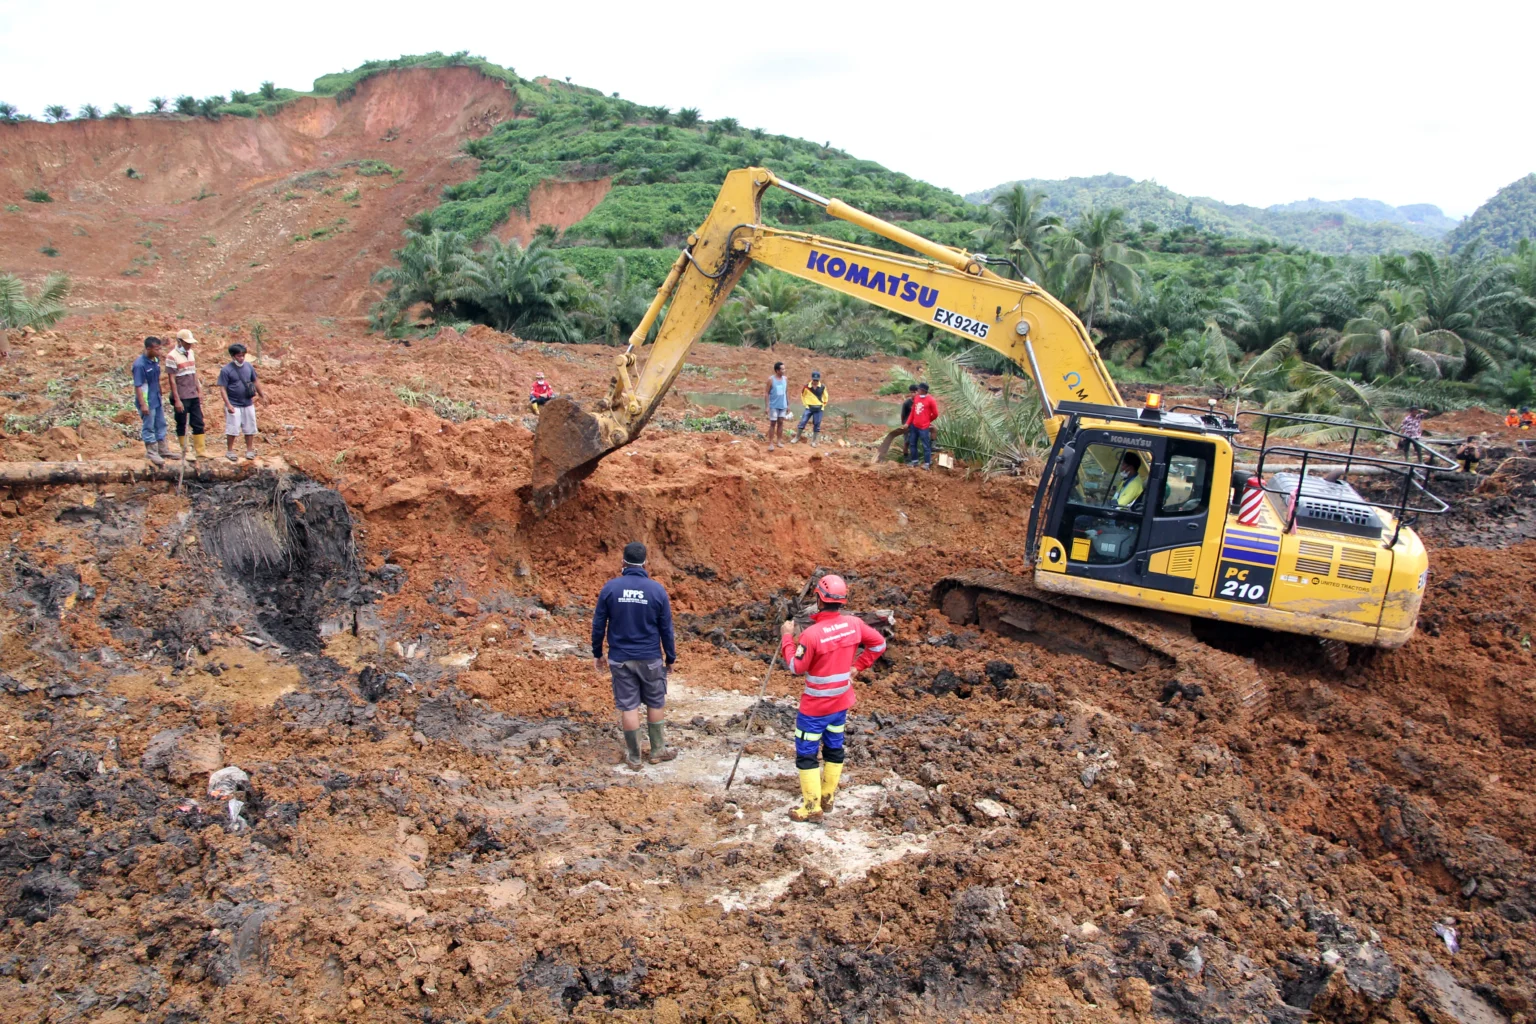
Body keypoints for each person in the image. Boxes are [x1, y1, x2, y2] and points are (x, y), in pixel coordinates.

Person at [779, 574, 886, 823]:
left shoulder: (812, 635)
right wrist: (858, 667)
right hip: (840, 703)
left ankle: (811, 807)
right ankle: (827, 797)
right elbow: (879, 645)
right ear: (842, 601)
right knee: (834, 747)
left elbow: (796, 666)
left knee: (806, 752)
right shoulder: (854, 624)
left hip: (815, 708)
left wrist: (786, 637)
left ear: (818, 598)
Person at [592, 541, 677, 770]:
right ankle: (658, 750)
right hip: (650, 657)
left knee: (629, 706)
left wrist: (597, 652)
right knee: (655, 701)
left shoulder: (611, 588)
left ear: (623, 562)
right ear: (645, 562)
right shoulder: (656, 590)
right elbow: (666, 629)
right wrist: (670, 657)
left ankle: (635, 756)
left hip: (620, 658)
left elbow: (599, 624)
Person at [131, 336, 179, 466]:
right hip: (147, 401)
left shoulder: (155, 360)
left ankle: (163, 449)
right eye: (157, 349)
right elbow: (138, 386)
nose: (159, 352)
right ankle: (152, 452)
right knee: (149, 425)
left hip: (156, 398)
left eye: (160, 349)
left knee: (161, 423)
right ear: (148, 349)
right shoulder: (140, 365)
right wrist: (143, 404)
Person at [164, 329, 206, 463]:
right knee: (182, 423)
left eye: (190, 343)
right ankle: (185, 451)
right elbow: (172, 380)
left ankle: (200, 451)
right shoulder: (172, 356)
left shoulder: (191, 353)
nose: (189, 346)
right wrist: (177, 399)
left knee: (198, 422)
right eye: (187, 343)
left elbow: (194, 373)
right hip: (182, 395)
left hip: (192, 393)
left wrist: (199, 390)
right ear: (179, 342)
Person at [217, 342, 263, 461]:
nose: (241, 358)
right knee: (233, 427)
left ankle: (249, 450)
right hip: (233, 403)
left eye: (243, 355)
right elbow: (222, 388)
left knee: (250, 427)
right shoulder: (226, 370)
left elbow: (255, 381)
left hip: (248, 402)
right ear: (232, 356)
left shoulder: (249, 367)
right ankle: (230, 450)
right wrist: (228, 404)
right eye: (238, 356)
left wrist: (262, 394)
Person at [906, 382, 940, 469]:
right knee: (913, 444)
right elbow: (913, 412)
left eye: (918, 389)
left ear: (923, 390)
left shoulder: (931, 400)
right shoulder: (917, 398)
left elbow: (935, 414)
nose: (917, 390)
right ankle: (915, 462)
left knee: (926, 446)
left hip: (923, 427)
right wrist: (908, 423)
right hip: (914, 426)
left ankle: (927, 464)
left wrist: (927, 421)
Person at [791, 370, 829, 446]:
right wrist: (806, 404)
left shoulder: (822, 387)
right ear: (812, 379)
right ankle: (797, 437)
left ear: (819, 380)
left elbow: (826, 397)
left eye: (817, 380)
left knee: (817, 424)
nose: (815, 382)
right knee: (803, 422)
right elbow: (803, 395)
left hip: (819, 408)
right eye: (814, 380)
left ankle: (814, 441)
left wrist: (822, 405)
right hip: (809, 407)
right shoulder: (806, 387)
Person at [764, 361, 789, 450]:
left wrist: (788, 405)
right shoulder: (771, 380)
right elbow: (766, 393)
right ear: (777, 370)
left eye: (784, 369)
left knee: (781, 422)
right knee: (773, 423)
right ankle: (770, 443)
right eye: (782, 369)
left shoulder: (785, 379)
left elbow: (786, 392)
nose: (784, 370)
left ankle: (779, 441)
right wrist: (767, 406)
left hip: (783, 405)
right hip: (774, 406)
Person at [899, 384, 918, 461]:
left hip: (917, 425)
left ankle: (914, 457)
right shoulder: (907, 403)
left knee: (914, 442)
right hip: (908, 425)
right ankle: (906, 457)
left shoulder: (919, 402)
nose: (913, 394)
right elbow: (903, 415)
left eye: (914, 392)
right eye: (911, 392)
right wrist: (904, 425)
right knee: (907, 442)